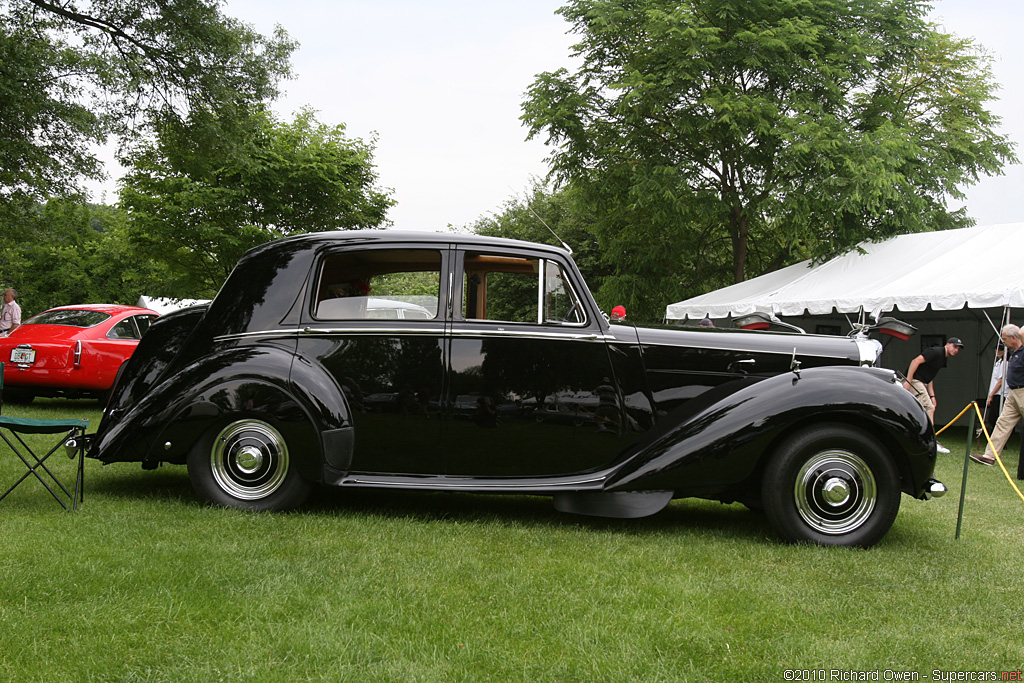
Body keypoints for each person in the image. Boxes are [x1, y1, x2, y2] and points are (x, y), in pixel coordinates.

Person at [971, 325, 1024, 467]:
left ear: (1014, 337)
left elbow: (1022, 331)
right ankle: (989, 456)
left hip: (1022, 392)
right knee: (1002, 423)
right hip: (1013, 393)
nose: (1003, 342)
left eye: (1005, 338)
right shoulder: (1014, 352)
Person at [903, 336, 964, 454]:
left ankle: (921, 439)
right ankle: (931, 441)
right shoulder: (936, 352)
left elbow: (929, 378)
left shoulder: (942, 358)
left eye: (958, 348)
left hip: (921, 382)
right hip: (915, 381)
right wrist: (908, 381)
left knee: (921, 410)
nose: (956, 350)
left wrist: (932, 396)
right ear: (948, 344)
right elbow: (915, 361)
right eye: (954, 346)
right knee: (929, 409)